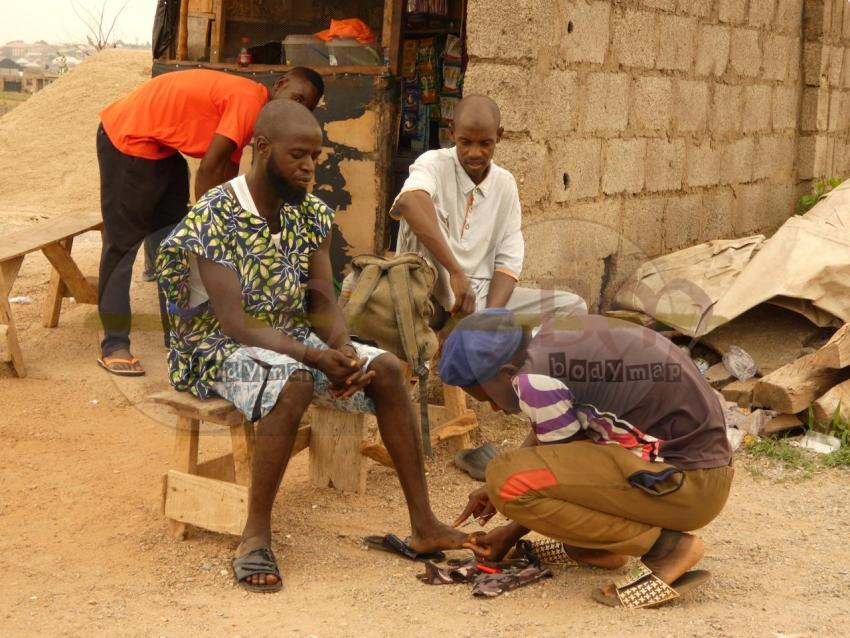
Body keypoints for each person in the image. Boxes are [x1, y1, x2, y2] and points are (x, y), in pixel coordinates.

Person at [156, 100, 470, 593]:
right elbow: (235, 323)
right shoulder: (214, 214)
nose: (309, 168)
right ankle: (255, 535)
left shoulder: (310, 215)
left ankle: (424, 524)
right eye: (298, 156)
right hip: (212, 350)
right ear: (261, 149)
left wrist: (343, 349)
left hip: (288, 337)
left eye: (315, 157)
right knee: (295, 381)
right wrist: (312, 356)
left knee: (385, 367)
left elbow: (321, 304)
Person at [442, 309, 734, 608]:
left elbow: (560, 471)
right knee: (509, 476)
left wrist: (508, 527)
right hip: (698, 473)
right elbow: (552, 440)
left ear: (506, 372)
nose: (493, 408)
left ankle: (669, 549)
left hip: (689, 486)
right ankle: (595, 549)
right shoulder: (550, 340)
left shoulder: (535, 379)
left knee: (506, 480)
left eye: (488, 397)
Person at [96, 66, 325, 376]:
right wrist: (215, 233)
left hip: (162, 149)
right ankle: (114, 345)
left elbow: (224, 181)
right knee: (121, 246)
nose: (295, 109)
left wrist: (232, 227)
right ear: (280, 84)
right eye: (296, 98)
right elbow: (209, 169)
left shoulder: (257, 124)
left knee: (171, 245)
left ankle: (179, 336)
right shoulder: (248, 101)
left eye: (304, 107)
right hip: (127, 136)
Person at [389, 94, 586, 327]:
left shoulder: (505, 184)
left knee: (573, 308)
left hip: (480, 299)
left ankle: (483, 341)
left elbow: (508, 262)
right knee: (425, 213)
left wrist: (485, 322)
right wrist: (456, 273)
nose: (474, 153)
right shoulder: (432, 163)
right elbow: (410, 201)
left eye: (485, 143)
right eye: (465, 142)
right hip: (427, 293)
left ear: (499, 137)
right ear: (451, 132)